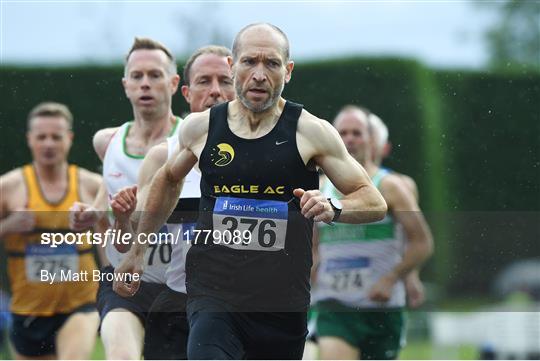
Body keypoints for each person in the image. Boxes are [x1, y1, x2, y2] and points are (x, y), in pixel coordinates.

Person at [114, 23, 387, 360]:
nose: (259, 74)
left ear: (288, 72)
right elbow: (167, 180)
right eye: (249, 62)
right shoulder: (201, 129)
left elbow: (374, 200)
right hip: (213, 295)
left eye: (271, 64)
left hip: (281, 304)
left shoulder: (311, 132)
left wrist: (333, 206)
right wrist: (138, 249)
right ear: (233, 67)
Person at [111, 45, 235, 360]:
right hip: (180, 302)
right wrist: (126, 222)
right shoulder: (162, 156)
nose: (215, 91)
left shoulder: (270, 154)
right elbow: (137, 229)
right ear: (186, 92)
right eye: (204, 82)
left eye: (225, 80)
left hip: (243, 306)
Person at [69, 37, 181, 360]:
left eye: (155, 75)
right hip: (121, 283)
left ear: (173, 83)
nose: (145, 83)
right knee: (120, 355)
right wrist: (85, 215)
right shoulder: (108, 142)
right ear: (126, 85)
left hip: (177, 286)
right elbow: (103, 202)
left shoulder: (190, 142)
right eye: (137, 76)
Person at [313, 105, 433, 360]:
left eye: (357, 133)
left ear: (372, 140)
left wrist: (395, 278)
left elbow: (421, 242)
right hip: (334, 305)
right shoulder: (320, 189)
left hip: (381, 307)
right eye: (342, 133)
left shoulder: (391, 187)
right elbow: (313, 248)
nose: (349, 139)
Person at [0, 102, 102, 359]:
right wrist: (9, 226)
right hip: (28, 311)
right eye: (41, 137)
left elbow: (112, 239)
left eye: (56, 137)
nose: (48, 144)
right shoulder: (9, 187)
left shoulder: (92, 185)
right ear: (29, 139)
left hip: (81, 304)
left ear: (69, 139)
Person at [368, 112, 426, 308]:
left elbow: (413, 238)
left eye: (371, 138)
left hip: (382, 289)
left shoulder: (402, 186)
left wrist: (410, 275)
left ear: (384, 148)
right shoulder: (327, 183)